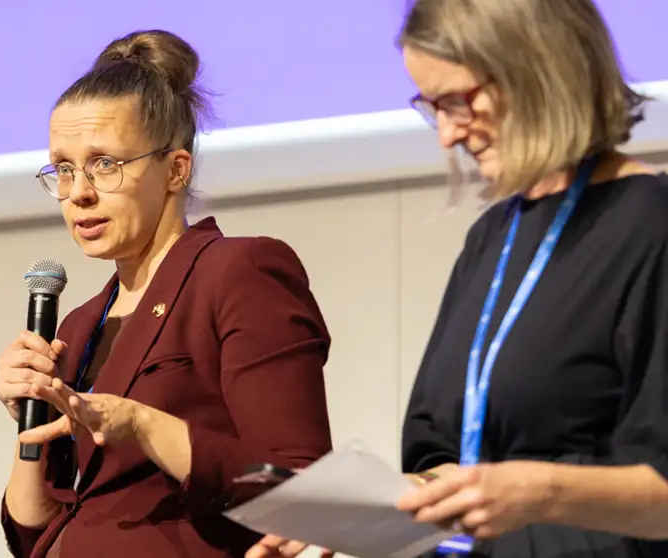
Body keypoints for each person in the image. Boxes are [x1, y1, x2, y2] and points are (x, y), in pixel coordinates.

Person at [248, 0, 668, 557]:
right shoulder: (494, 236)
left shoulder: (650, 226)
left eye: (457, 101)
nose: (447, 134)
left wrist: (538, 491)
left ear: (539, 69)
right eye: (432, 106)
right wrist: (356, 515)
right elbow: (446, 453)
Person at [0, 29, 333, 558]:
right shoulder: (80, 324)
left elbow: (294, 489)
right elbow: (40, 528)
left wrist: (145, 426)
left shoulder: (237, 272)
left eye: (105, 164)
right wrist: (31, 414)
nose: (79, 192)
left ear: (175, 169)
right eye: (63, 168)